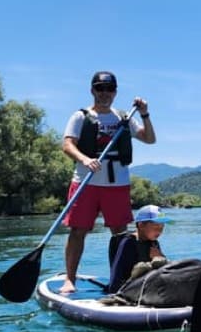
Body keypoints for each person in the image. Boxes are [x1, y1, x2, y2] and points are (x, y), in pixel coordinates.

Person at [59, 70, 156, 294]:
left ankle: (120, 280)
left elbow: (149, 139)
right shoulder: (80, 116)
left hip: (117, 184)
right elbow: (67, 145)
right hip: (86, 181)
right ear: (92, 90)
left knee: (121, 233)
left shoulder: (123, 118)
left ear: (115, 92)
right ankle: (69, 279)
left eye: (109, 89)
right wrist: (84, 158)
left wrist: (145, 114)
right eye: (100, 88)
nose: (104, 93)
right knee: (78, 231)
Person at [106, 204, 169, 293]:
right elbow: (117, 272)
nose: (159, 231)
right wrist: (115, 293)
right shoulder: (129, 242)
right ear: (141, 225)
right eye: (156, 227)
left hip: (145, 285)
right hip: (129, 288)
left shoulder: (154, 242)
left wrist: (161, 257)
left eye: (162, 227)